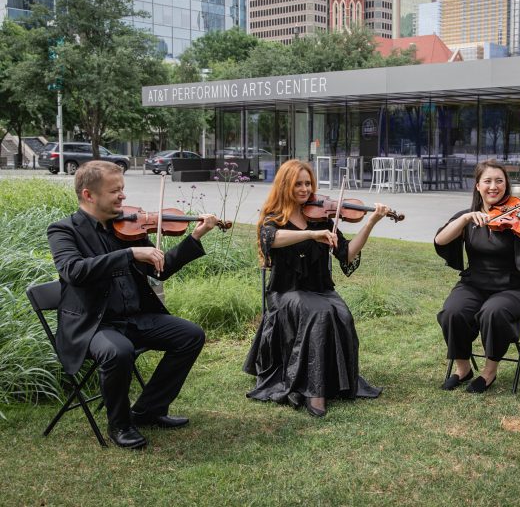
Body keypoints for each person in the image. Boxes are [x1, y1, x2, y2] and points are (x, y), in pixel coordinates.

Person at [47, 160, 219, 450]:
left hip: (135, 318)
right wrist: (129, 253)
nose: (123, 196)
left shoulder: (127, 225)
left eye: (123, 189)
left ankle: (149, 410)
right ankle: (120, 425)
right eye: (115, 191)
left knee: (190, 335)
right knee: (118, 350)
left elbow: (158, 270)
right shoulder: (64, 230)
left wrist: (195, 237)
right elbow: (73, 271)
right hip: (94, 325)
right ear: (89, 195)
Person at [243, 159, 389, 417]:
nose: (304, 189)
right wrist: (309, 235)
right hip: (286, 292)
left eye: (308, 183)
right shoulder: (274, 218)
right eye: (298, 183)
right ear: (285, 185)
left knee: (342, 313)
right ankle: (314, 390)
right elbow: (271, 239)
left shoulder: (321, 216)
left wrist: (371, 222)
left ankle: (336, 382)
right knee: (318, 313)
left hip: (320, 289)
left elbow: (346, 254)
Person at [434, 160, 520, 393]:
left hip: (513, 289)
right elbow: (440, 240)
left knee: (493, 312)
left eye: (499, 181)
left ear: (506, 185)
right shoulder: (468, 218)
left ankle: (489, 372)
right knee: (452, 312)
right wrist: (466, 219)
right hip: (474, 284)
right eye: (487, 181)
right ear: (477, 186)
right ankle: (463, 368)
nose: (493, 186)